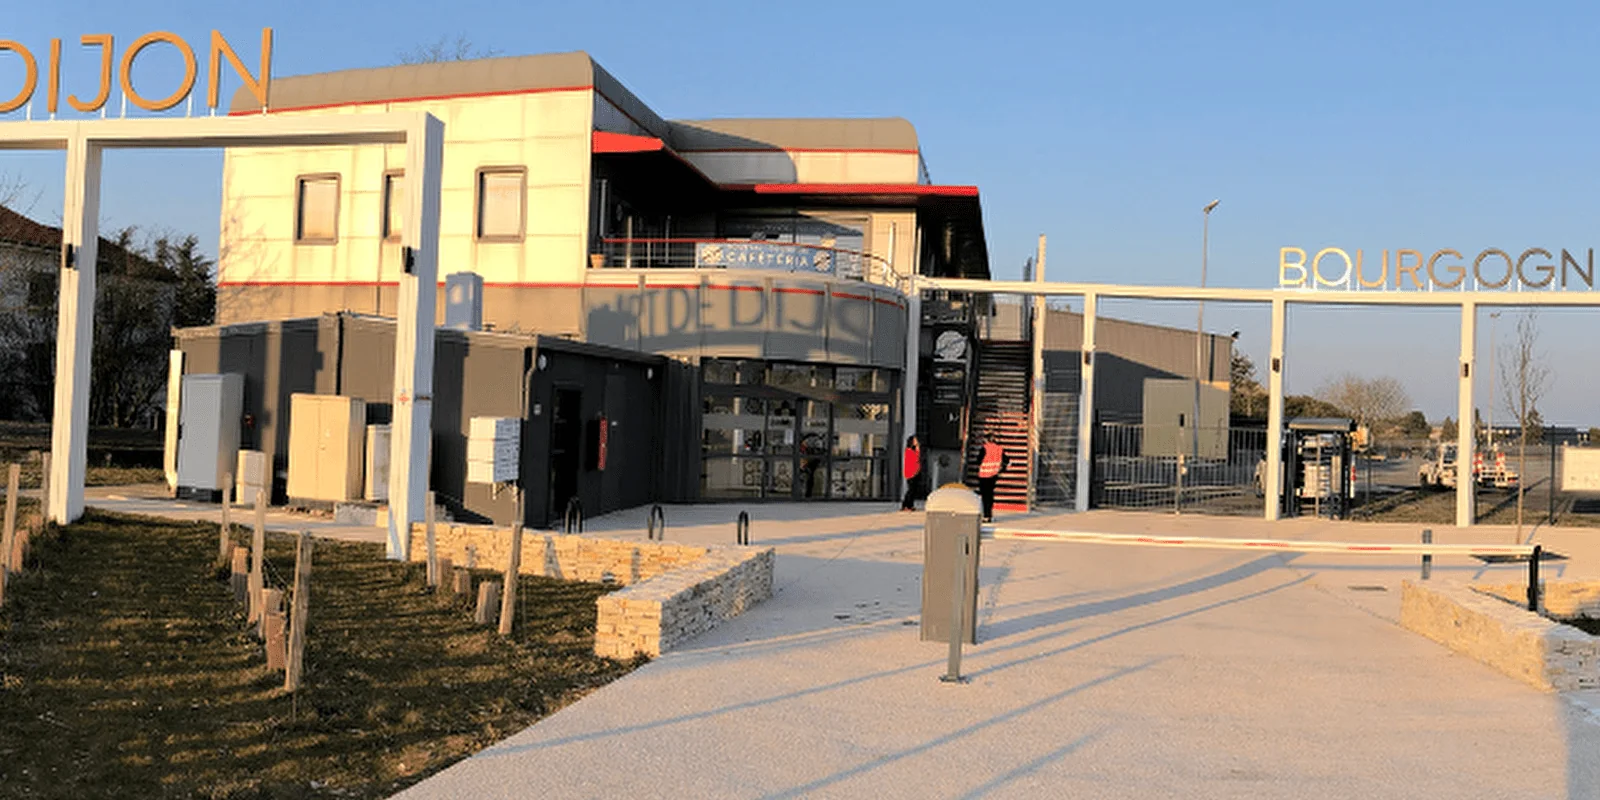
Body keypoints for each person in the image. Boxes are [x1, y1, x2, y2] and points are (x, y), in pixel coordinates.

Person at [975, 435, 1007, 522]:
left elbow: (978, 460)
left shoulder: (985, 448)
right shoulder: (999, 449)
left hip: (984, 475)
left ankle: (986, 515)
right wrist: (1001, 470)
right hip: (993, 475)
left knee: (985, 496)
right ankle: (989, 515)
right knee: (990, 495)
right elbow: (1007, 461)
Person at [900, 435, 925, 511]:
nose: (917, 441)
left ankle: (910, 505)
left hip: (916, 472)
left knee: (914, 491)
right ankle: (905, 505)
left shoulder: (914, 450)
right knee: (910, 491)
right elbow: (916, 459)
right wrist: (917, 449)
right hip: (911, 473)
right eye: (915, 440)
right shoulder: (908, 450)